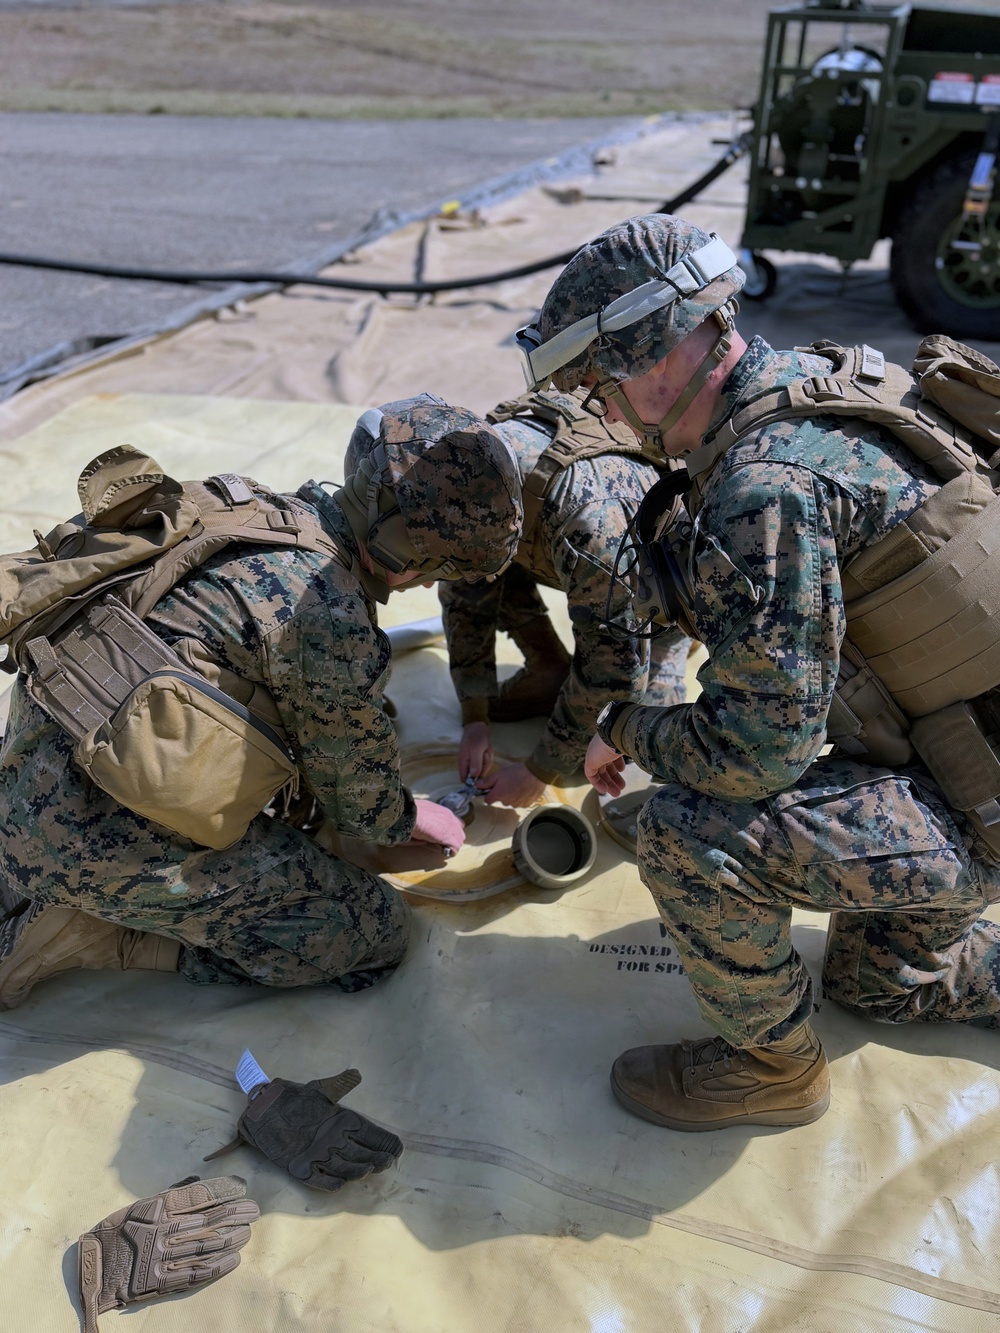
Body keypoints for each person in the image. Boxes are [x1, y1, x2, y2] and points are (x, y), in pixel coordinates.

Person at [518, 213, 1000, 1131]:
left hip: (976, 796)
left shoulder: (762, 486)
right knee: (879, 984)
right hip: (969, 756)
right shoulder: (827, 379)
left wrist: (623, 727)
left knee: (690, 832)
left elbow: (756, 754)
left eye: (601, 384)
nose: (600, 410)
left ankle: (771, 1069)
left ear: (658, 360)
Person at [0, 396, 522, 1008]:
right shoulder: (326, 613)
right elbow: (360, 805)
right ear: (403, 545)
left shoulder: (249, 507)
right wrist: (409, 817)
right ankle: (96, 934)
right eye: (438, 565)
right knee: (368, 931)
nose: (432, 582)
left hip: (32, 766)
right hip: (84, 836)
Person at [349, 391, 691, 808]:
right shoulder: (459, 477)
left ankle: (670, 651)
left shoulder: (591, 524)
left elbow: (613, 669)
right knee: (481, 564)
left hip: (665, 588)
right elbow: (466, 590)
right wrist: (476, 715)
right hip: (563, 543)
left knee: (630, 744)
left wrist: (538, 771)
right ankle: (550, 667)